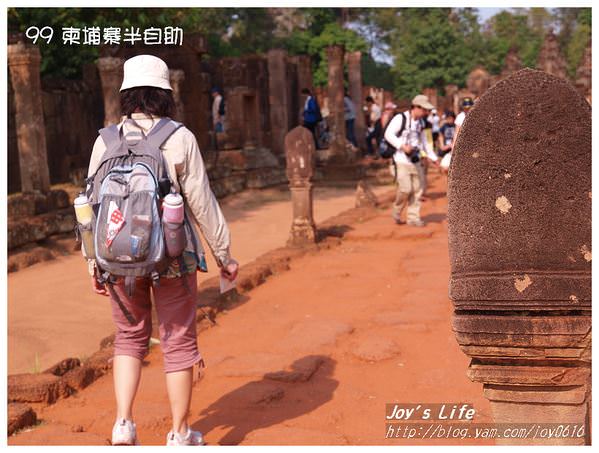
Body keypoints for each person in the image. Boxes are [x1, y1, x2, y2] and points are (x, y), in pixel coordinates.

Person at [86, 55, 239, 446]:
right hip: (173, 256)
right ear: (165, 93)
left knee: (128, 337)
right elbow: (201, 202)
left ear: (125, 95)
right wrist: (224, 254)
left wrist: (93, 262)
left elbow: (89, 208)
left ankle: (123, 424)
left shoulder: (105, 140)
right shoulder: (179, 137)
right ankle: (180, 433)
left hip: (116, 258)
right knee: (178, 340)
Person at [384, 94, 439, 227]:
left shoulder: (422, 123)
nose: (425, 112)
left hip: (415, 160)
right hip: (400, 159)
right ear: (416, 107)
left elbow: (425, 143)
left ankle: (413, 218)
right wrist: (402, 146)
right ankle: (397, 210)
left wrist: (434, 158)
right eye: (424, 109)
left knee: (418, 189)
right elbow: (388, 134)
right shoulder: (400, 118)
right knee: (405, 189)